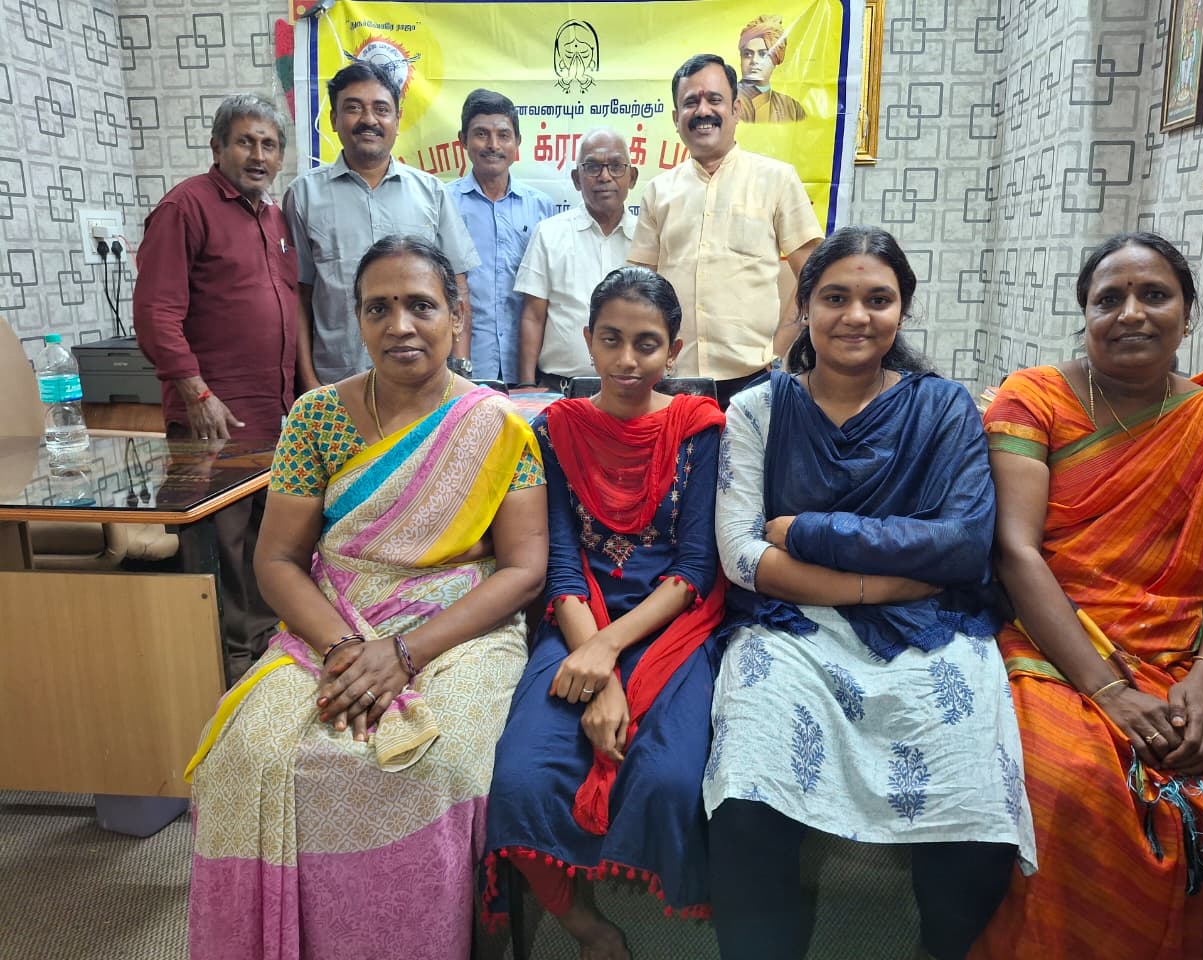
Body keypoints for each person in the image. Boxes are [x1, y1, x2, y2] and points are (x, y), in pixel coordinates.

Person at [185, 236, 548, 960]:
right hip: (333, 621)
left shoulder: (499, 426)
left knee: (439, 760)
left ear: (456, 315)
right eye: (378, 308)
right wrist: (347, 649)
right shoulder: (316, 417)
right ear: (357, 320)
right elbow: (278, 559)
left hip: (459, 628)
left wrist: (405, 653)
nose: (400, 325)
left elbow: (523, 570)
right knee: (249, 753)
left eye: (421, 306)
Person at [706, 226, 1036, 960]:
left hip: (930, 627)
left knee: (974, 802)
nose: (856, 316)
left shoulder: (944, 408)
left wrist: (810, 531)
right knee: (747, 794)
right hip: (791, 626)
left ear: (902, 311)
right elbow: (742, 556)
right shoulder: (757, 410)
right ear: (804, 308)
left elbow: (963, 544)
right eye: (835, 298)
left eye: (878, 299)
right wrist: (875, 582)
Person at [973, 232, 1203, 959]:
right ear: (1085, 314)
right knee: (1071, 784)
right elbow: (1016, 551)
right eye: (1109, 299)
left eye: (1155, 295)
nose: (1132, 313)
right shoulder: (1036, 399)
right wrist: (1109, 691)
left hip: (1192, 650)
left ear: (1187, 313)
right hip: (1054, 640)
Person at [483, 267, 726, 959]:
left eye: (646, 344)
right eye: (611, 340)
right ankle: (587, 926)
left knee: (669, 779)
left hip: (673, 624)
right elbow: (562, 564)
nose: (627, 360)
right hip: (575, 619)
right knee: (519, 780)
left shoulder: (699, 430)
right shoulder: (555, 430)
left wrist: (606, 654)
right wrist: (598, 667)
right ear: (587, 340)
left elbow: (694, 568)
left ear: (673, 350)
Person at [133, 93, 296, 683]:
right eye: (245, 142)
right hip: (213, 416)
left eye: (269, 145)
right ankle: (217, 669)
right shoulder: (185, 207)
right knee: (218, 547)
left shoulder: (273, 218)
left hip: (272, 417)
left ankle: (261, 655)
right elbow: (155, 312)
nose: (258, 155)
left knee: (263, 541)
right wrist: (196, 393)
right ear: (217, 147)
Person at [629, 54, 822, 407]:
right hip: (674, 381)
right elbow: (640, 288)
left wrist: (778, 351)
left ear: (735, 109)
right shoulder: (659, 191)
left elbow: (814, 277)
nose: (703, 111)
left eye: (714, 99)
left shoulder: (777, 179)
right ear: (676, 119)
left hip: (756, 378)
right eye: (691, 102)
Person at [285, 60, 479, 389]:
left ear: (397, 120)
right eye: (353, 108)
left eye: (381, 109)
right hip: (338, 384)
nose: (369, 120)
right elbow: (299, 298)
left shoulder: (431, 193)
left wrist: (458, 374)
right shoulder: (304, 195)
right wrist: (310, 383)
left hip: (424, 385)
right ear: (333, 119)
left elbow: (457, 287)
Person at [514, 129, 639, 392]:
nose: (605, 176)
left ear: (632, 177)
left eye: (616, 166)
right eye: (592, 167)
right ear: (576, 179)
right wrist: (526, 384)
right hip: (560, 391)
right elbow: (533, 316)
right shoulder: (549, 233)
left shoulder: (648, 237)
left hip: (632, 392)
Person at [447, 89, 555, 383]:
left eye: (503, 135)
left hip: (527, 365)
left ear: (517, 142)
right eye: (481, 134)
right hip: (462, 365)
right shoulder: (443, 204)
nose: (493, 145)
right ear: (463, 140)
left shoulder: (541, 207)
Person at [735, 15, 807, 123]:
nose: (754, 60)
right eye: (747, 54)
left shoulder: (792, 108)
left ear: (776, 59)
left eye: (763, 54)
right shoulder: (726, 102)